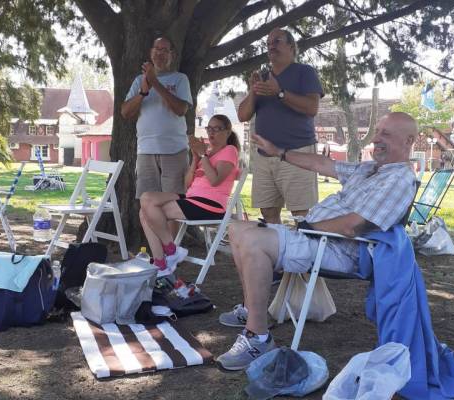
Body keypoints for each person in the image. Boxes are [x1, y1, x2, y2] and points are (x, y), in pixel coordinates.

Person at [216, 112, 418, 371]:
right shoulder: (371, 170)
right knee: (237, 229)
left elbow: (352, 225)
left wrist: (308, 226)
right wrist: (280, 152)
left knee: (255, 240)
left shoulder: (399, 178)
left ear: (409, 140)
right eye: (377, 131)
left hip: (339, 250)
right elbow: (321, 165)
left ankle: (258, 337)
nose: (376, 139)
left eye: (386, 134)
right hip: (317, 237)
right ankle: (250, 309)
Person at [238, 28, 324, 224]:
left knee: (301, 215)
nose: (271, 46)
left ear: (292, 47)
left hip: (297, 153)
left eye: (276, 41)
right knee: (268, 212)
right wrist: (253, 90)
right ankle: (277, 254)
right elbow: (243, 115)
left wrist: (280, 93)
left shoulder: (305, 72)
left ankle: (305, 255)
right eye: (268, 43)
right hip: (264, 156)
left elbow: (312, 108)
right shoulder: (263, 76)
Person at [139, 114, 240, 271]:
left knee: (147, 212)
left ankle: (165, 258)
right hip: (192, 198)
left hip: (210, 205)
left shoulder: (230, 150)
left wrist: (202, 155)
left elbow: (215, 180)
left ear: (227, 132)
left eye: (217, 129)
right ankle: (166, 254)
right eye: (209, 128)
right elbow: (187, 184)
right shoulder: (208, 152)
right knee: (146, 200)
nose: (211, 133)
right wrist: (195, 159)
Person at [121, 36, 192, 204]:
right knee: (146, 202)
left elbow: (181, 109)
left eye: (165, 50)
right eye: (157, 49)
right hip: (146, 150)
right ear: (151, 53)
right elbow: (125, 112)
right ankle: (153, 232)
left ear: (171, 55)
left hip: (174, 149)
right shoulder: (139, 81)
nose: (160, 53)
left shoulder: (180, 79)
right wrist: (143, 92)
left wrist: (155, 82)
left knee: (174, 203)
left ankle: (172, 232)